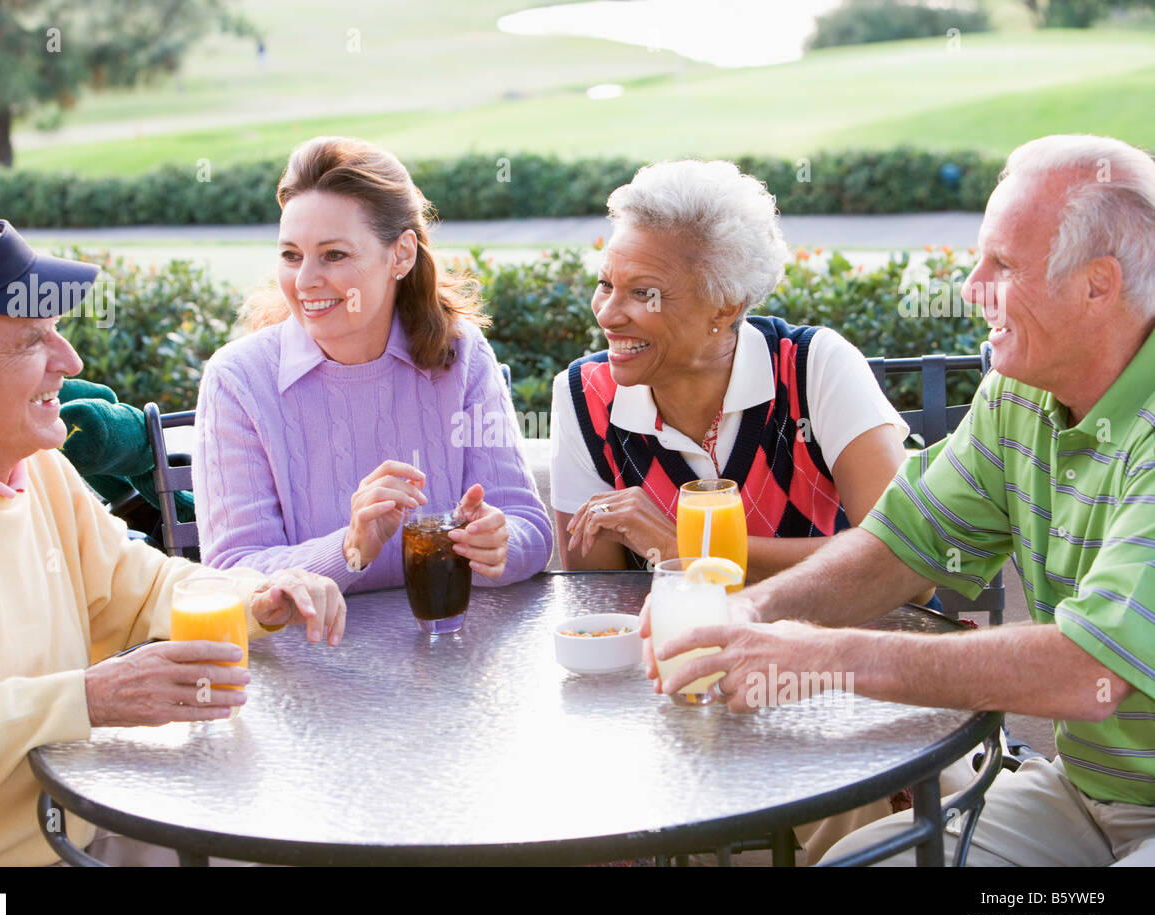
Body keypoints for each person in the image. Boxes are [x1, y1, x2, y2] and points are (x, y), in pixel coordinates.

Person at [645, 135, 1155, 866]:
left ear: (1098, 285)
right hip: (1084, 797)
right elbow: (898, 546)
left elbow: (1086, 671)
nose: (972, 284)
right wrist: (749, 613)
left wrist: (820, 656)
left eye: (1002, 265)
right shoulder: (1023, 391)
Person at [0, 221, 346, 866]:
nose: (71, 362)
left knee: (299, 840)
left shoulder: (35, 464)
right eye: (31, 341)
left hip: (76, 824)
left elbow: (138, 585)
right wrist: (85, 699)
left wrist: (260, 596)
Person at [194, 137, 552, 590]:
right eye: (291, 255)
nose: (304, 281)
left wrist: (500, 543)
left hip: (451, 648)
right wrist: (350, 546)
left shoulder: (461, 355)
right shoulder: (238, 379)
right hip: (308, 655)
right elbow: (234, 571)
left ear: (401, 254)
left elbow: (530, 530)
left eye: (334, 255)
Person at [550, 159, 910, 578]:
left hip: (834, 640)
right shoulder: (584, 395)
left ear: (725, 305)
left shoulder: (815, 367)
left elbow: (902, 561)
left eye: (643, 292)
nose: (607, 315)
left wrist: (684, 550)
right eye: (606, 284)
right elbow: (599, 604)